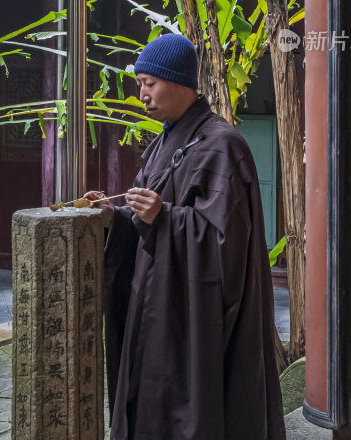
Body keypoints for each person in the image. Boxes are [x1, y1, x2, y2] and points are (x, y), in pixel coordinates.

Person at [85, 33, 285, 440]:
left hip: (193, 317)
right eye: (139, 84)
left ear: (180, 82)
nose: (141, 94)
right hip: (155, 301)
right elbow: (147, 218)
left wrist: (164, 217)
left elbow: (225, 248)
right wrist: (117, 218)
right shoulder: (164, 142)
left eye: (149, 83)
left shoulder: (223, 147)